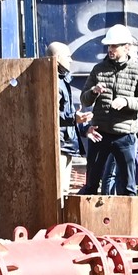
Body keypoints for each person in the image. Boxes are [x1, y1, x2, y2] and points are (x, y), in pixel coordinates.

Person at [78, 23, 138, 196]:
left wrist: (126, 101)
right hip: (100, 134)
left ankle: (127, 221)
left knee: (128, 186)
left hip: (125, 136)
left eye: (114, 46)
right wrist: (94, 92)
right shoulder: (98, 69)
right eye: (109, 45)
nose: (110, 49)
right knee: (91, 184)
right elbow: (84, 99)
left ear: (127, 47)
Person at [47, 41, 87, 198]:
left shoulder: (63, 79)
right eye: (68, 56)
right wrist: (73, 118)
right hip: (59, 144)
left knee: (63, 190)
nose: (70, 60)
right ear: (57, 58)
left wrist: (82, 128)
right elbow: (52, 112)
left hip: (66, 142)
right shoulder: (54, 81)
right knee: (59, 190)